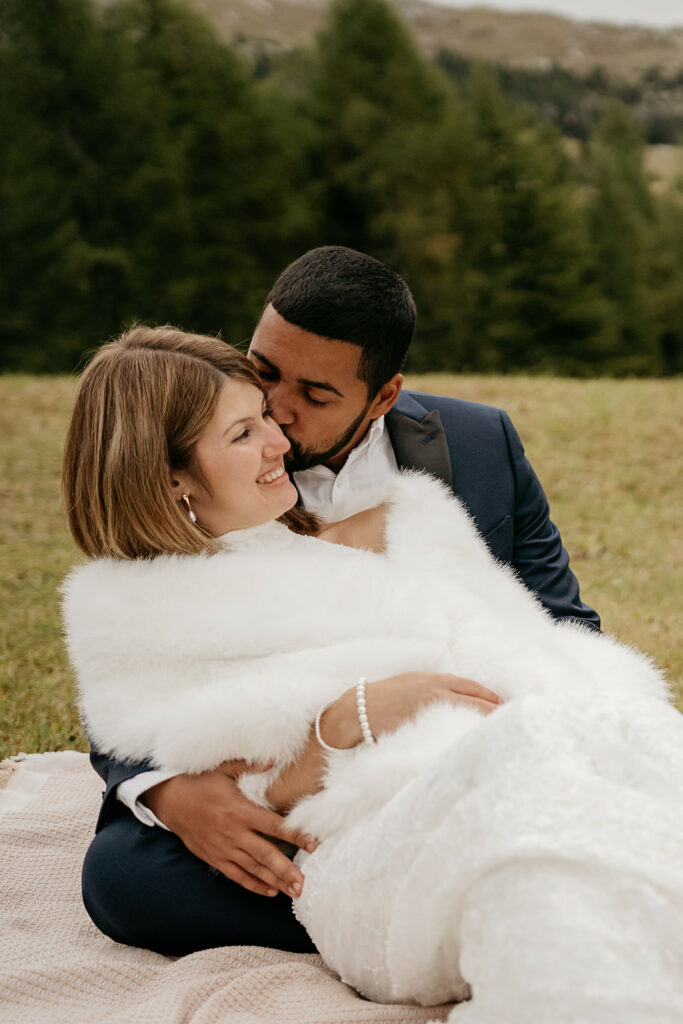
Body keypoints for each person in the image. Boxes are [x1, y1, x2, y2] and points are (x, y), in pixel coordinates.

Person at [62, 326, 683, 1022]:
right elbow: (241, 782)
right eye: (245, 432)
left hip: (506, 734)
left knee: (590, 756)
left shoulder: (389, 514)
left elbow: (542, 631)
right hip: (375, 819)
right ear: (168, 475)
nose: (280, 440)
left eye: (266, 416)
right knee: (540, 822)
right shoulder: (142, 614)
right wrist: (344, 720)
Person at [84, 248, 602, 957]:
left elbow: (560, 618)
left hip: (453, 725)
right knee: (123, 876)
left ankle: (468, 899)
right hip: (266, 763)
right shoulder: (188, 435)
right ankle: (438, 913)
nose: (277, 415)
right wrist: (168, 792)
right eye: (262, 374)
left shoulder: (480, 444)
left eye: (315, 395)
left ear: (382, 395)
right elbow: (135, 669)